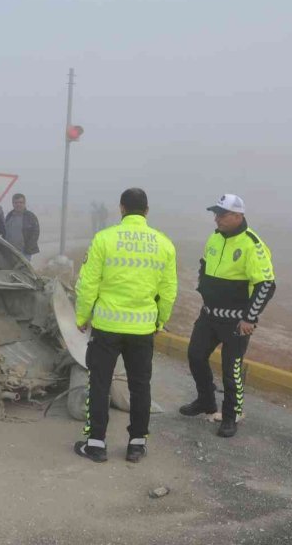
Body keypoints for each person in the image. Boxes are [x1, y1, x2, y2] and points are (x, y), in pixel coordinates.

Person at [73, 188, 178, 463]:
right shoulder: (164, 244)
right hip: (142, 330)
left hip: (107, 327)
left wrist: (82, 317)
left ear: (121, 208)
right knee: (140, 386)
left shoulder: (104, 239)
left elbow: (87, 283)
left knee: (99, 384)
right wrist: (160, 321)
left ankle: (95, 444)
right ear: (146, 211)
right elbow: (168, 290)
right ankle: (136, 444)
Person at [180, 194, 276, 438]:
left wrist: (250, 318)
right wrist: (204, 287)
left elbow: (266, 284)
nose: (216, 219)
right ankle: (206, 401)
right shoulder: (214, 237)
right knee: (195, 355)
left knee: (230, 369)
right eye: (216, 214)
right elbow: (204, 264)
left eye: (222, 214)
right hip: (209, 315)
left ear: (238, 216)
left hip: (236, 321)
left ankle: (231, 416)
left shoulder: (252, 244)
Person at [3, 193, 40, 260]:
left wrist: (29, 246)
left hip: (25, 252)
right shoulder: (9, 216)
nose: (18, 204)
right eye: (16, 202)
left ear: (24, 203)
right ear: (13, 203)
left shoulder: (30, 217)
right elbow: (5, 232)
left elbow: (36, 232)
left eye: (21, 202)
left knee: (23, 270)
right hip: (10, 251)